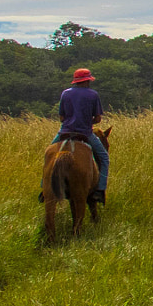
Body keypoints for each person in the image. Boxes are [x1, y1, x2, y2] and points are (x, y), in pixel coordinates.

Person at [53, 66, 108, 203]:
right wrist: (88, 120)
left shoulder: (65, 94)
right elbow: (97, 119)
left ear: (76, 81)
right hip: (85, 133)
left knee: (49, 156)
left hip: (64, 132)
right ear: (87, 81)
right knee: (104, 158)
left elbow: (61, 117)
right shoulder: (93, 95)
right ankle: (100, 190)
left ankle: (44, 188)